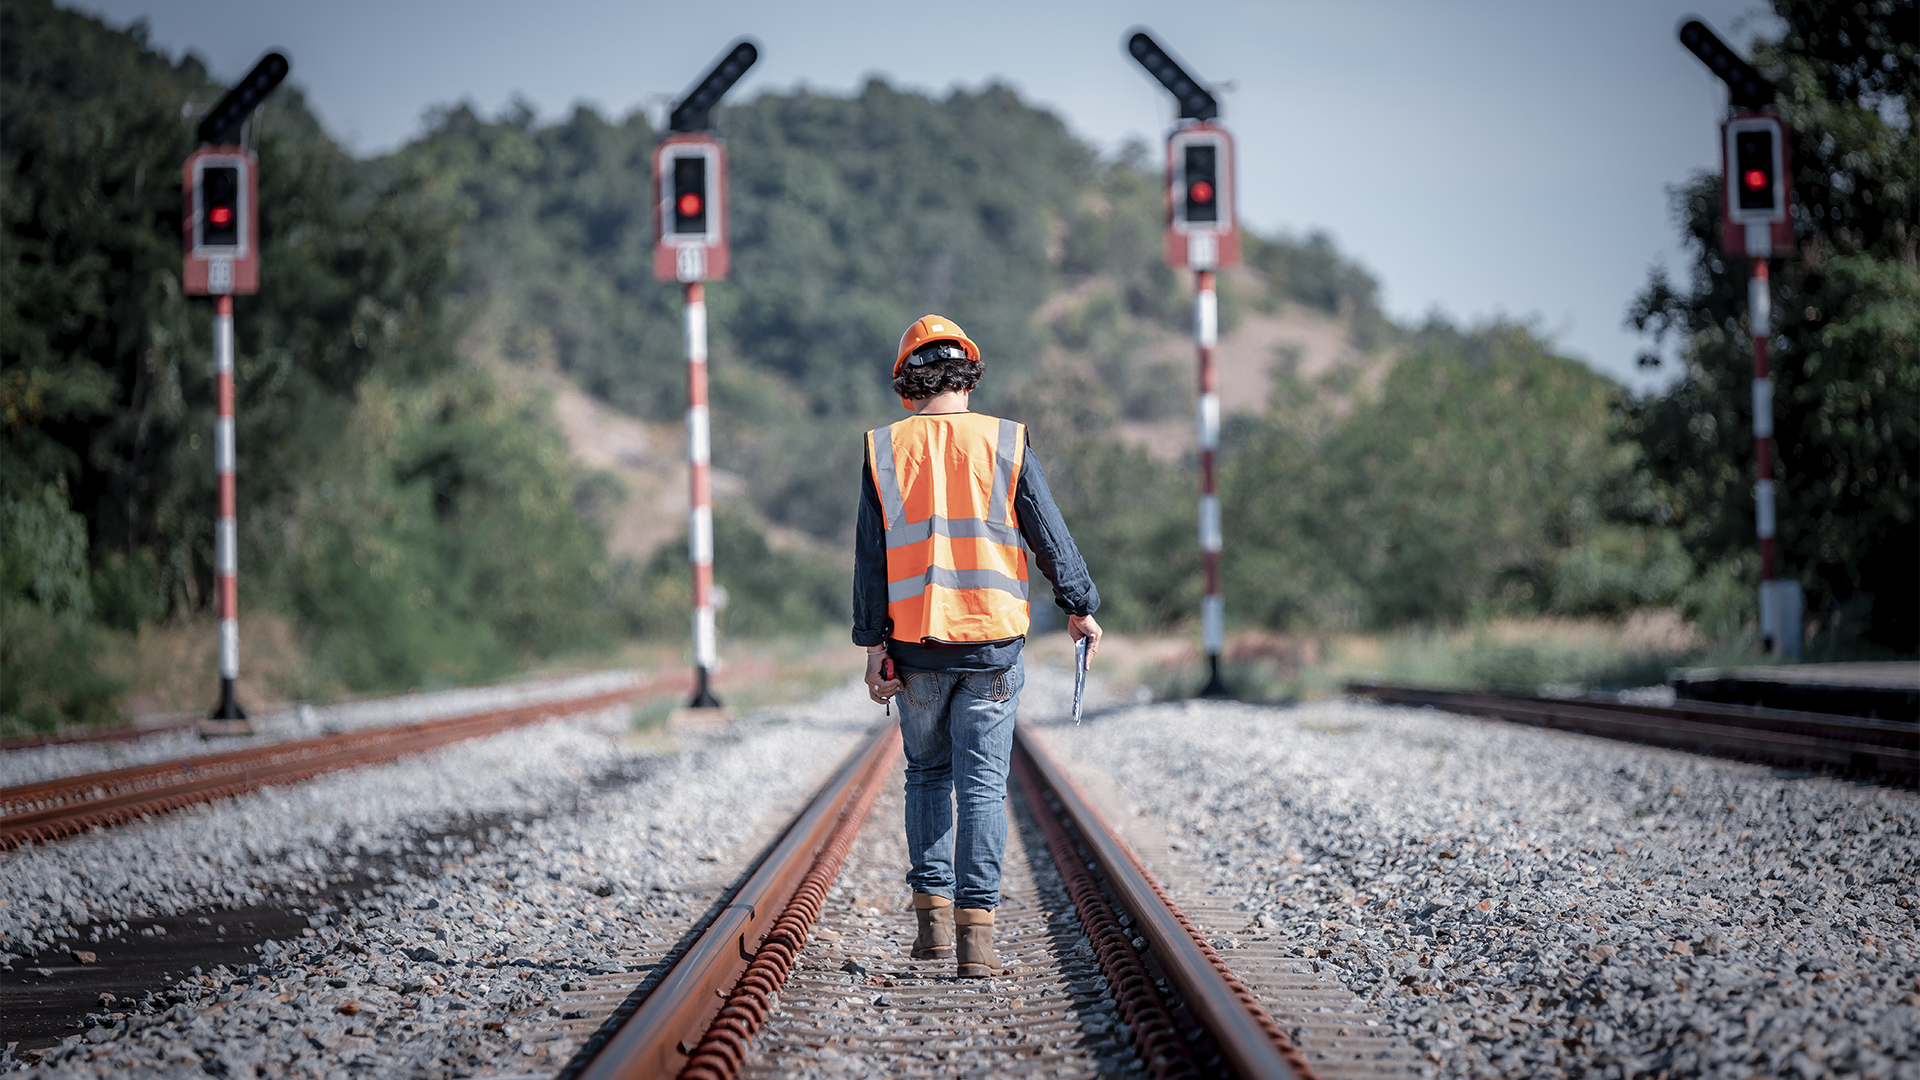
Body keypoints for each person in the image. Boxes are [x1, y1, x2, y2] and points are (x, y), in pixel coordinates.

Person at [854, 313, 1103, 978]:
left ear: (907, 383)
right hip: (991, 642)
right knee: (984, 790)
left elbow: (871, 560)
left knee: (927, 776)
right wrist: (1079, 605)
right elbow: (1049, 534)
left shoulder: (885, 448)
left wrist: (873, 643)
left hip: (916, 647)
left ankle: (932, 927)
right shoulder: (1007, 440)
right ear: (970, 373)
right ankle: (978, 944)